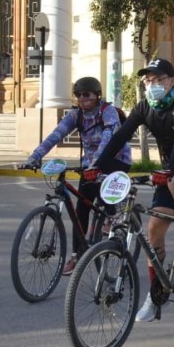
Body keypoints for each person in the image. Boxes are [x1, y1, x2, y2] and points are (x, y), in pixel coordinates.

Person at [95, 58, 174, 322]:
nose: (153, 85)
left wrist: (170, 168)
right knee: (153, 231)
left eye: (159, 79)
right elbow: (120, 136)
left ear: (172, 81)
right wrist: (98, 165)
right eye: (148, 80)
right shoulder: (145, 107)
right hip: (170, 169)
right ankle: (156, 293)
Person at [23, 76, 131, 275]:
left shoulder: (107, 112)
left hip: (116, 159)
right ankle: (77, 254)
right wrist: (34, 156)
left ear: (97, 95)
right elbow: (56, 135)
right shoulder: (76, 115)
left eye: (86, 94)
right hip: (90, 164)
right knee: (81, 208)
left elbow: (108, 139)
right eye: (78, 95)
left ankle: (113, 215)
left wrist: (95, 163)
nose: (82, 98)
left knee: (102, 187)